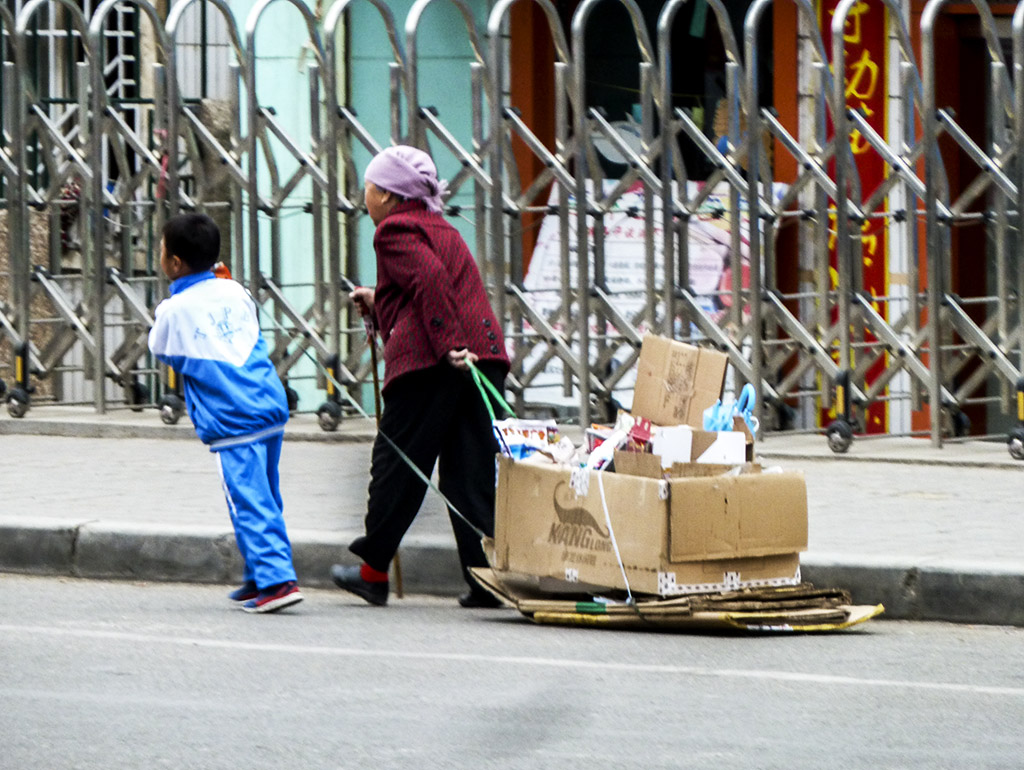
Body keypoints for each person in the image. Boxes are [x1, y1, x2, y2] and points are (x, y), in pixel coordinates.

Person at [330, 145, 509, 609]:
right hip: (479, 356)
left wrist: (448, 343)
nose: (363, 196)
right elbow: (424, 284)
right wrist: (379, 297)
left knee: (395, 466)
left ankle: (372, 574)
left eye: (368, 188)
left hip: (435, 364)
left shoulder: (395, 229)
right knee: (469, 473)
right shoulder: (436, 226)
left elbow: (430, 281)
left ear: (388, 196)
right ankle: (486, 578)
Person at [148, 213, 303, 614]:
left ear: (175, 263)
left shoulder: (174, 309)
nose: (159, 256)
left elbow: (161, 348)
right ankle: (258, 573)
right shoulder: (235, 291)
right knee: (265, 494)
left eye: (162, 250)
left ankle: (277, 581)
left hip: (234, 420)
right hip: (269, 405)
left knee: (247, 499)